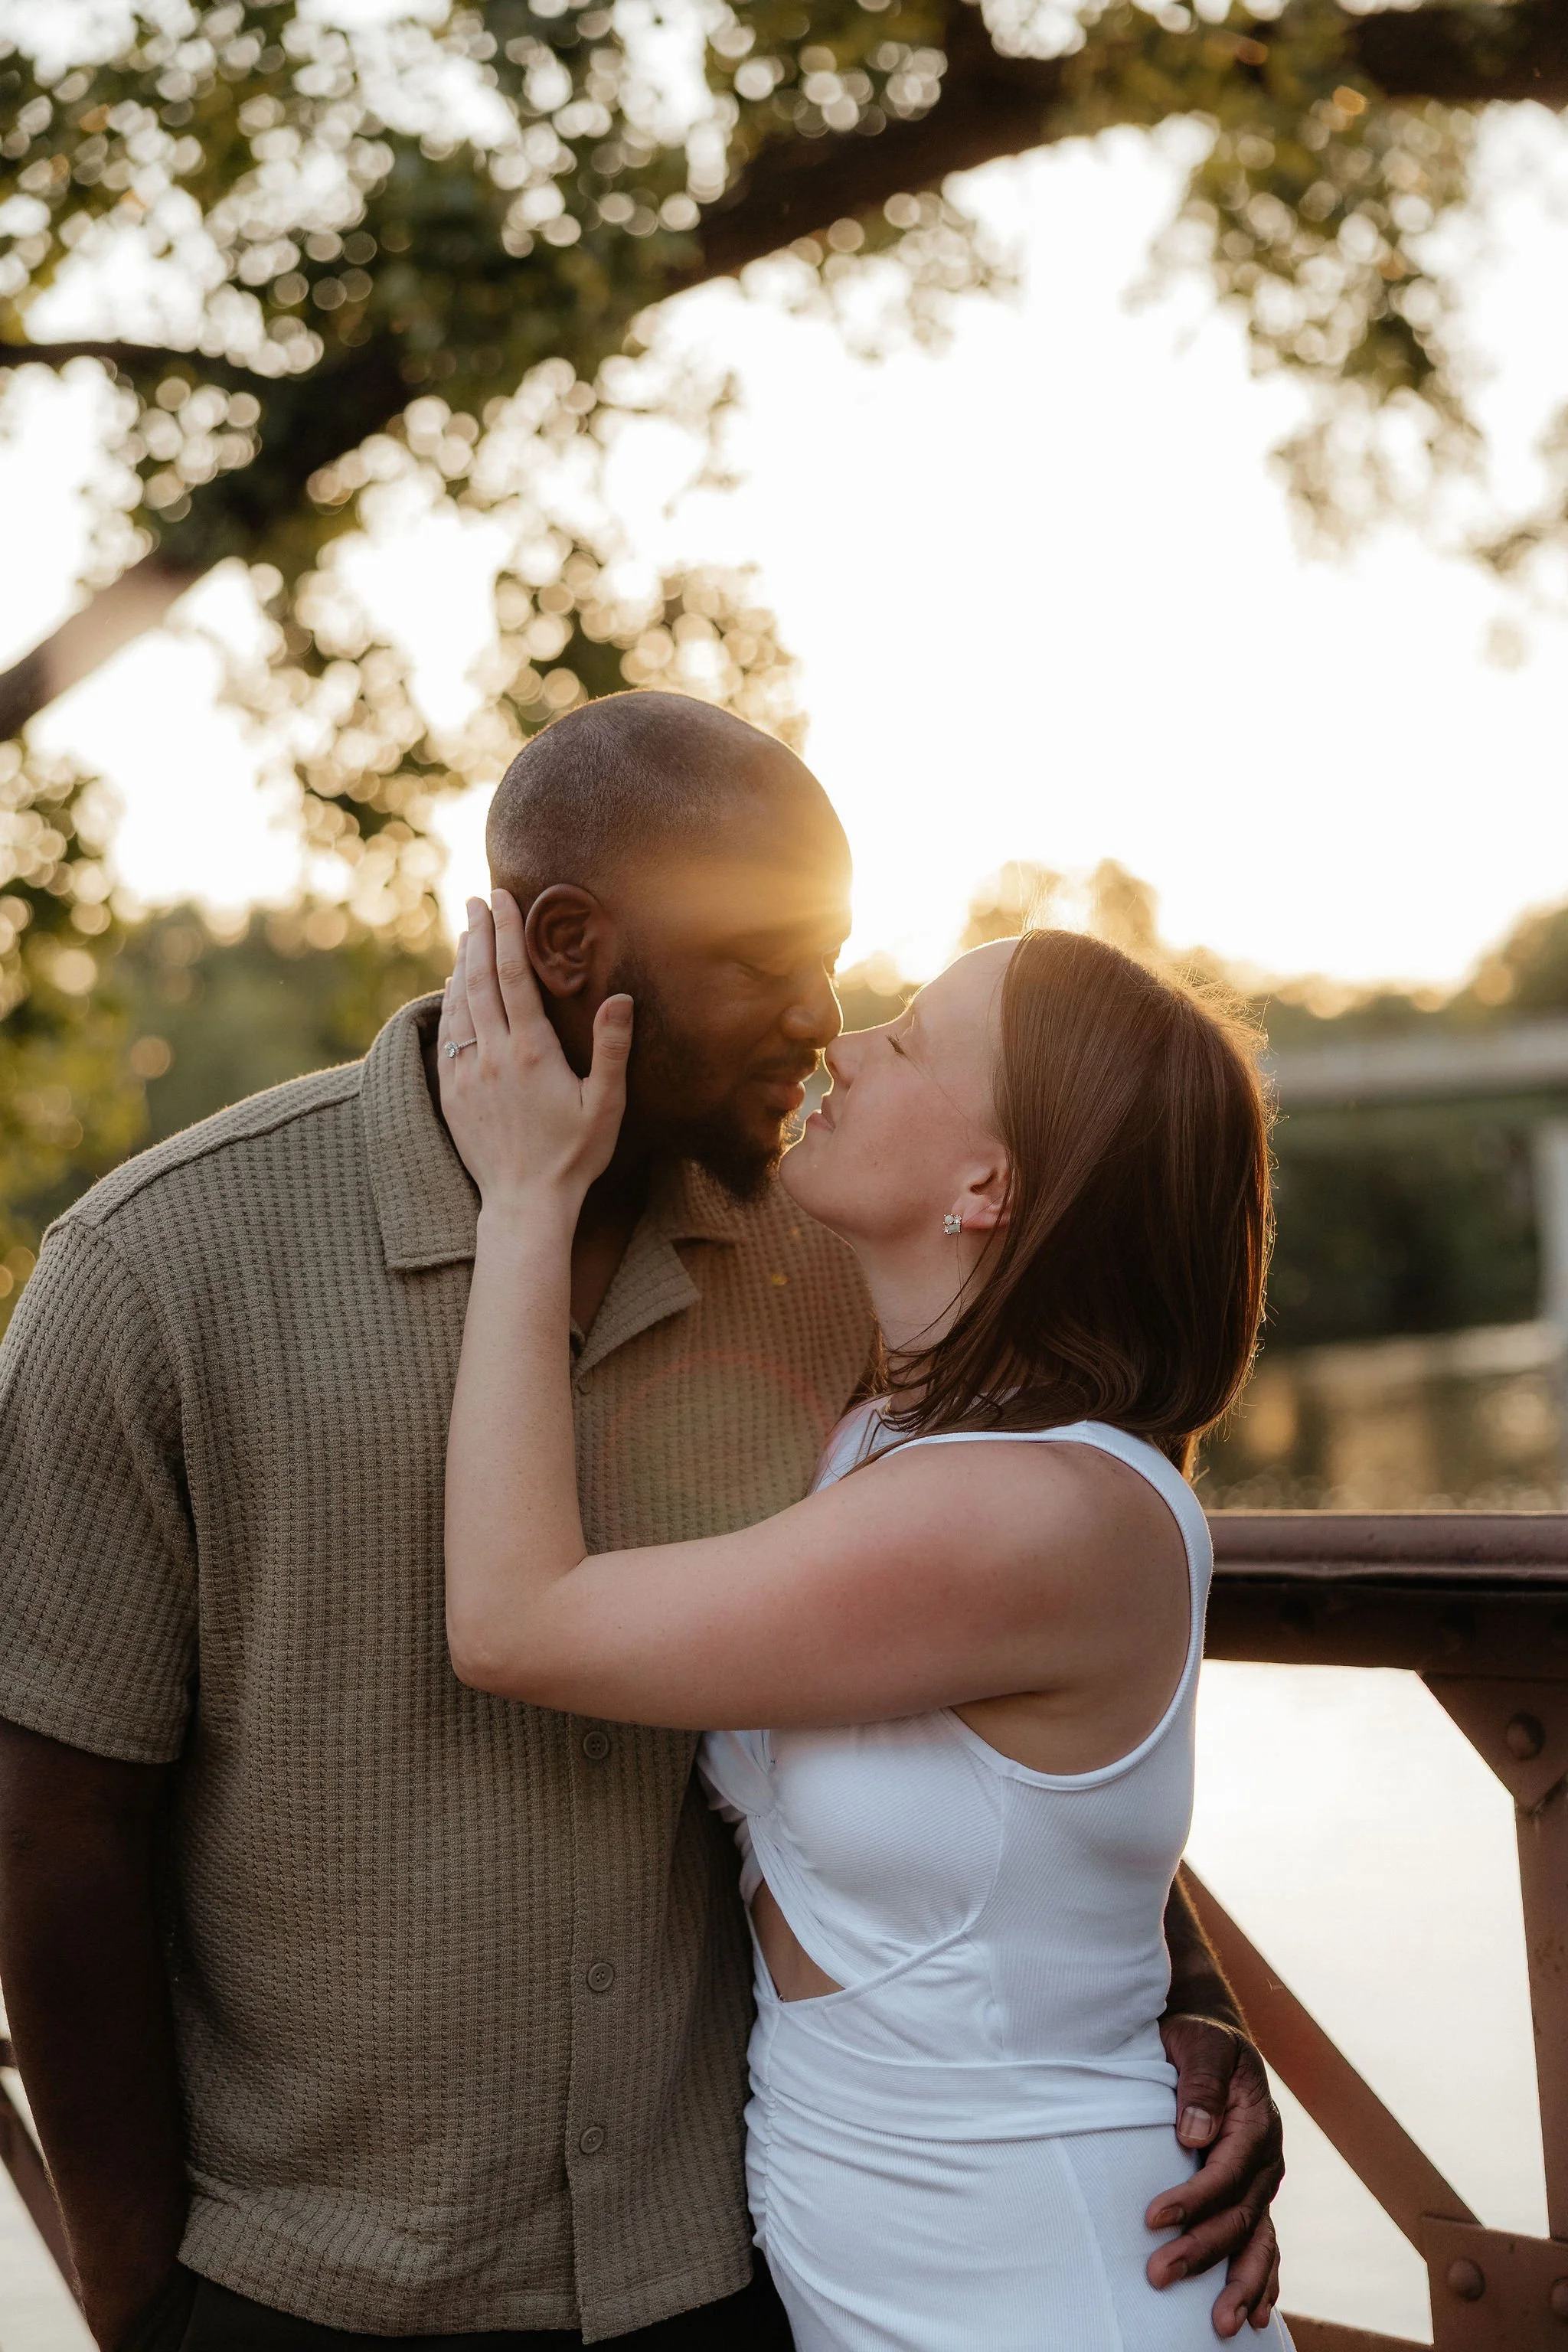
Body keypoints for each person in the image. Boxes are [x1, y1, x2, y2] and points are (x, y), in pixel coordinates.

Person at [0, 692, 1279, 2352]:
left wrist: (1179, 2001)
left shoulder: (846, 1266)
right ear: (568, 941)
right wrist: (139, 2298)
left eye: (844, 966)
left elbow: (1010, 1724)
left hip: (728, 2274)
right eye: (760, 962)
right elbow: (49, 1826)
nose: (824, 1021)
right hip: (312, 2286)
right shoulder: (161, 1274)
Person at [434, 890, 1291, 2350]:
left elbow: (516, 1622)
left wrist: (527, 1196)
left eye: (914, 1039)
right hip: (887, 2269)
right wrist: (1198, 1992)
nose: (849, 1040)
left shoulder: (1028, 1514)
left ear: (987, 1188)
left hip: (1057, 2286)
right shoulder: (892, 1433)